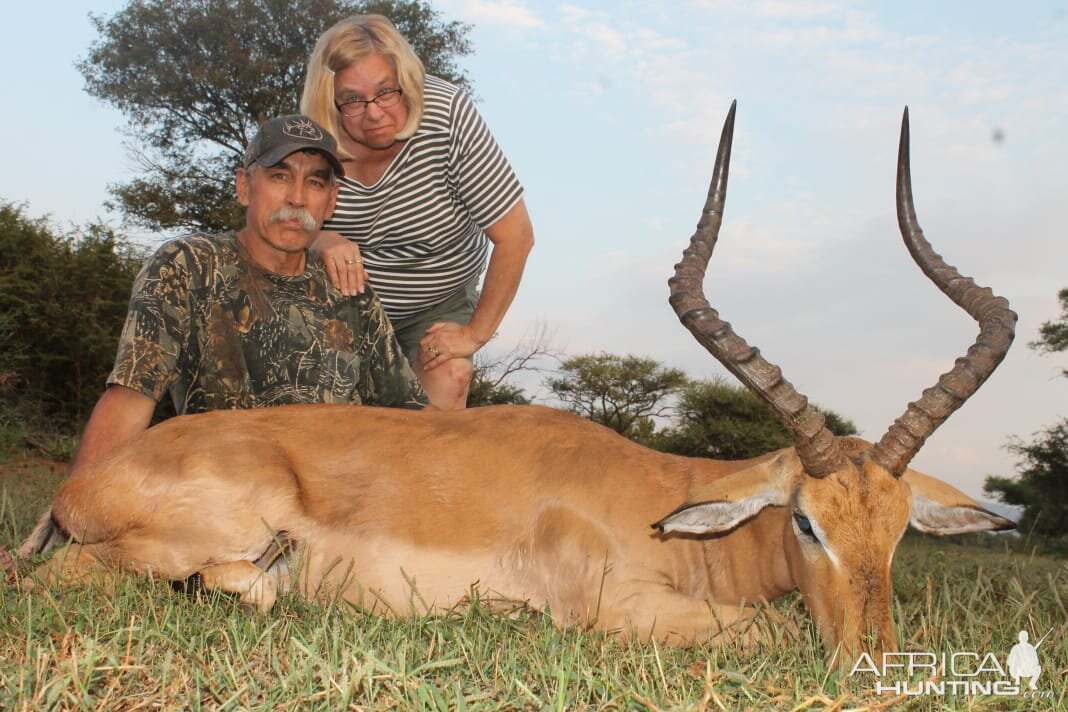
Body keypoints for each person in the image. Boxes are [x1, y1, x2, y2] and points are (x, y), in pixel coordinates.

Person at [60, 113, 425, 485]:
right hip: (226, 492)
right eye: (279, 176)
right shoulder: (188, 266)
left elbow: (412, 420)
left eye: (314, 182)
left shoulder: (350, 290)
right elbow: (130, 397)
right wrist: (72, 519)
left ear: (331, 203)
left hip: (340, 501)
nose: (297, 198)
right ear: (244, 186)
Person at [300, 14, 535, 410]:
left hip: (437, 298)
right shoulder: (313, 136)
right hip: (344, 302)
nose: (373, 113)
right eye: (353, 99)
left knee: (450, 379)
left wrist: (475, 334)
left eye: (386, 92)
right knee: (324, 414)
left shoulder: (446, 114)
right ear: (330, 99)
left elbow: (516, 236)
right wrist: (322, 238)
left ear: (406, 80)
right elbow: (283, 228)